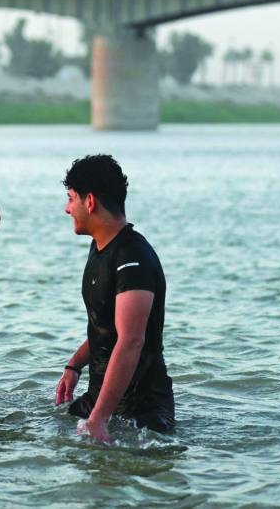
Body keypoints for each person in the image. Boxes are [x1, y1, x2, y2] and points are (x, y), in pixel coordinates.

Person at [55, 154, 175, 442]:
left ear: (90, 202)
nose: (67, 208)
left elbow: (131, 340)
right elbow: (105, 327)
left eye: (71, 198)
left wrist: (99, 419)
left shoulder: (133, 258)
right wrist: (73, 366)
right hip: (101, 399)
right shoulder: (101, 248)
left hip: (141, 409)